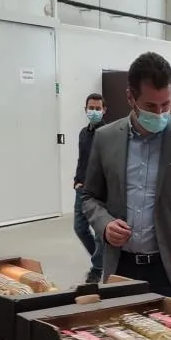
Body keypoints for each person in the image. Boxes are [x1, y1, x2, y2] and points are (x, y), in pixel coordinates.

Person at [82, 52, 171, 299]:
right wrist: (104, 224)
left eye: (165, 105)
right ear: (130, 97)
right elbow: (90, 196)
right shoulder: (106, 138)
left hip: (168, 271)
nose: (159, 114)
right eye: (150, 106)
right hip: (120, 268)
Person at [74, 93, 106, 283]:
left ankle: (97, 268)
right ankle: (101, 260)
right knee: (80, 228)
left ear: (104, 110)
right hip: (82, 188)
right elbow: (82, 160)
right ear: (85, 109)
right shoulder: (83, 133)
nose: (94, 111)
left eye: (97, 108)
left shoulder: (108, 134)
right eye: (91, 108)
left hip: (100, 192)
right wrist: (76, 181)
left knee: (100, 233)